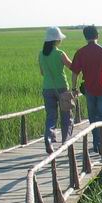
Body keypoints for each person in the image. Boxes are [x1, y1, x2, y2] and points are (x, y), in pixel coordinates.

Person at [70, 25, 102, 153]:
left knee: (93, 119)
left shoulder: (80, 52)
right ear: (97, 35)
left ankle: (96, 144)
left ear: (85, 37)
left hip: (89, 90)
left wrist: (74, 88)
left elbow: (74, 73)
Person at [38, 26, 74, 154]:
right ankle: (66, 142)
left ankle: (48, 138)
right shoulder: (60, 53)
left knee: (51, 116)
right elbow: (72, 67)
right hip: (62, 88)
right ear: (57, 40)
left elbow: (42, 72)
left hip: (47, 88)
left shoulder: (41, 54)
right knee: (67, 116)